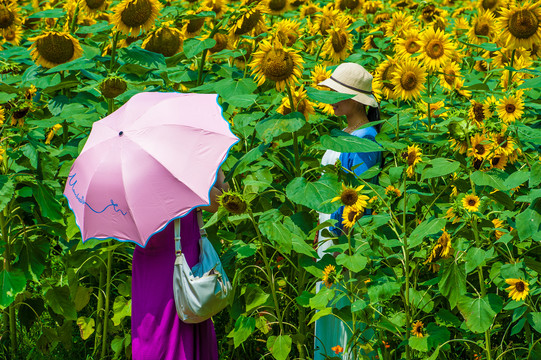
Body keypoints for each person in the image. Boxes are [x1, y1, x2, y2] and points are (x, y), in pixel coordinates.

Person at [314, 62, 382, 360]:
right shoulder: (345, 130)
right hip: (330, 233)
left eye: (336, 93)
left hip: (346, 239)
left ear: (355, 99)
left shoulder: (365, 139)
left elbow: (358, 199)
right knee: (330, 307)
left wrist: (345, 247)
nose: (331, 98)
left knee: (346, 308)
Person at [131, 170, 228, 360]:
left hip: (152, 254)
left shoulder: (132, 163)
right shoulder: (180, 162)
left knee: (155, 329)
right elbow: (218, 202)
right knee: (183, 315)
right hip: (177, 250)